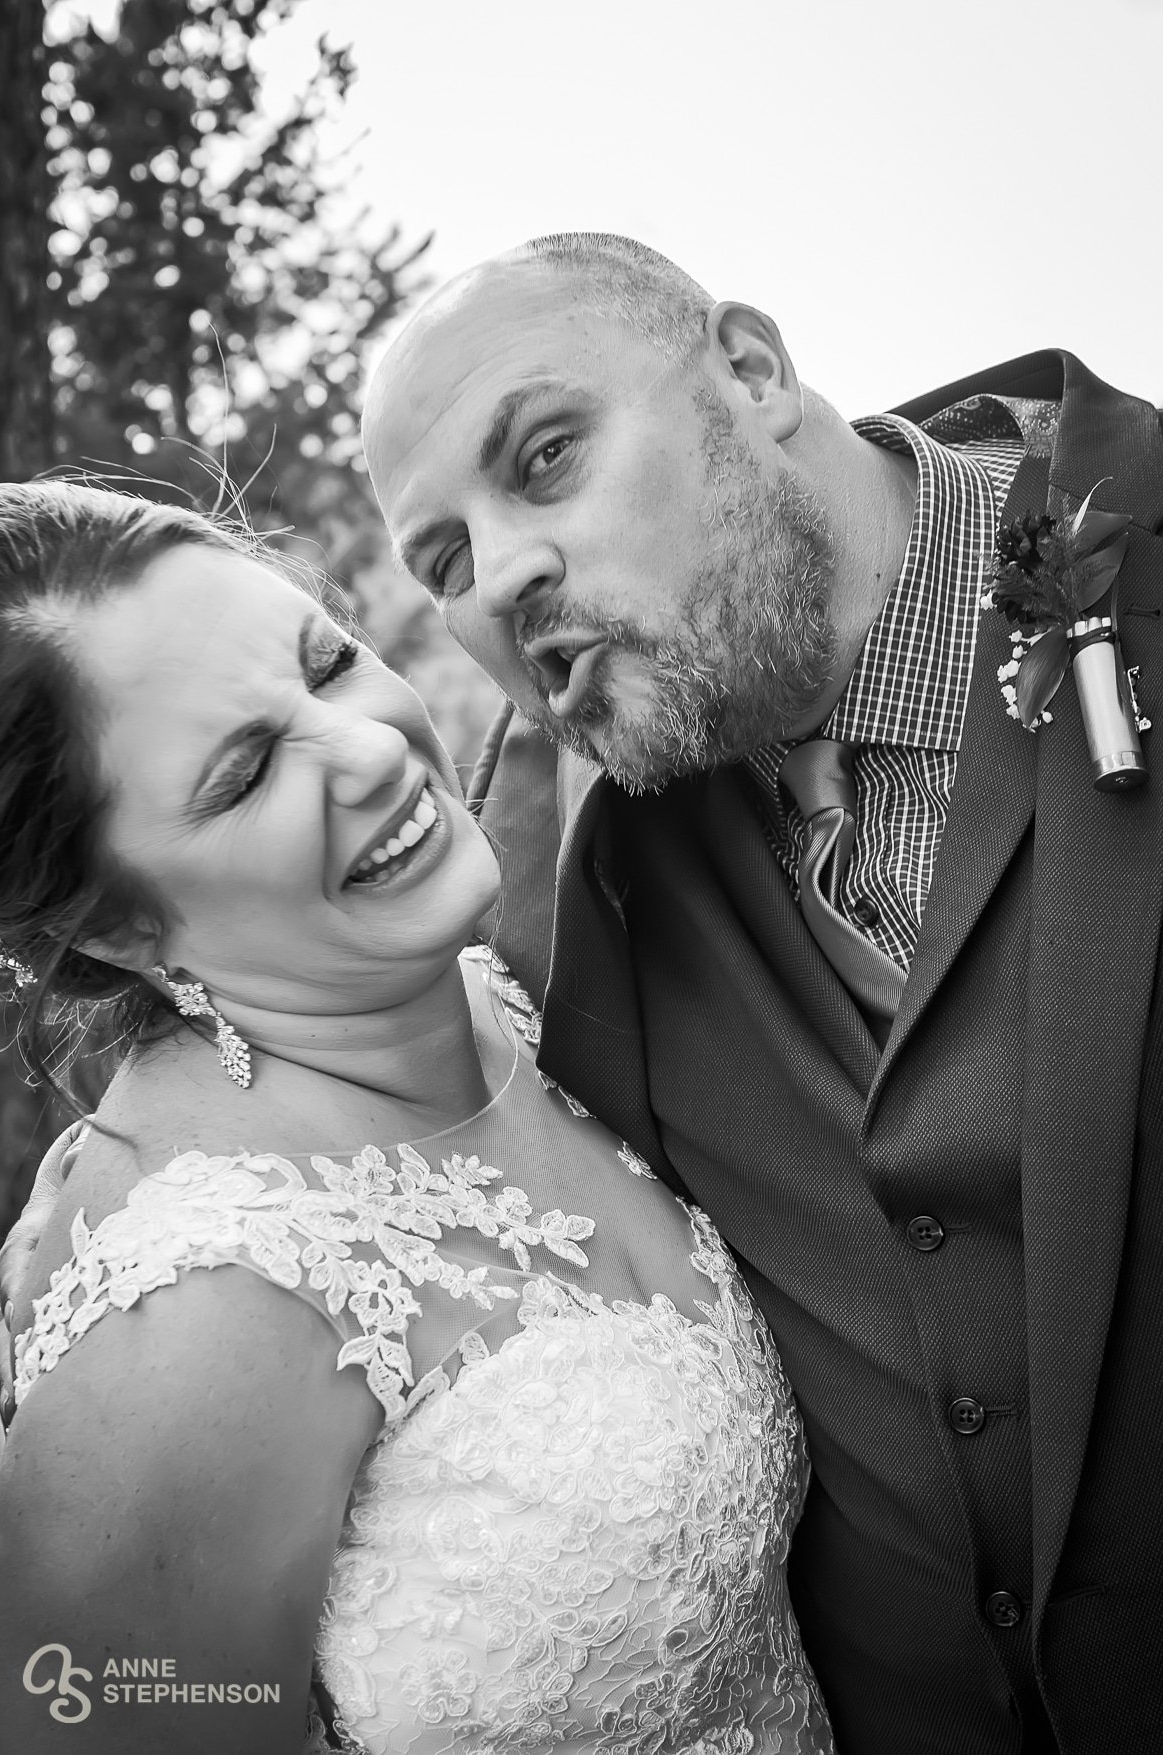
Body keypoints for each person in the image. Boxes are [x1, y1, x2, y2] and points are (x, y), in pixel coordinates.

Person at [357, 233, 1163, 1755]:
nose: (505, 572)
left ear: (750, 368)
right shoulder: (536, 833)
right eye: (445, 561)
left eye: (544, 454)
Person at [0, 482, 835, 1753]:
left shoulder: (510, 994)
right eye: (246, 774)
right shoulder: (202, 1306)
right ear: (116, 925)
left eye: (327, 664)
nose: (373, 746)